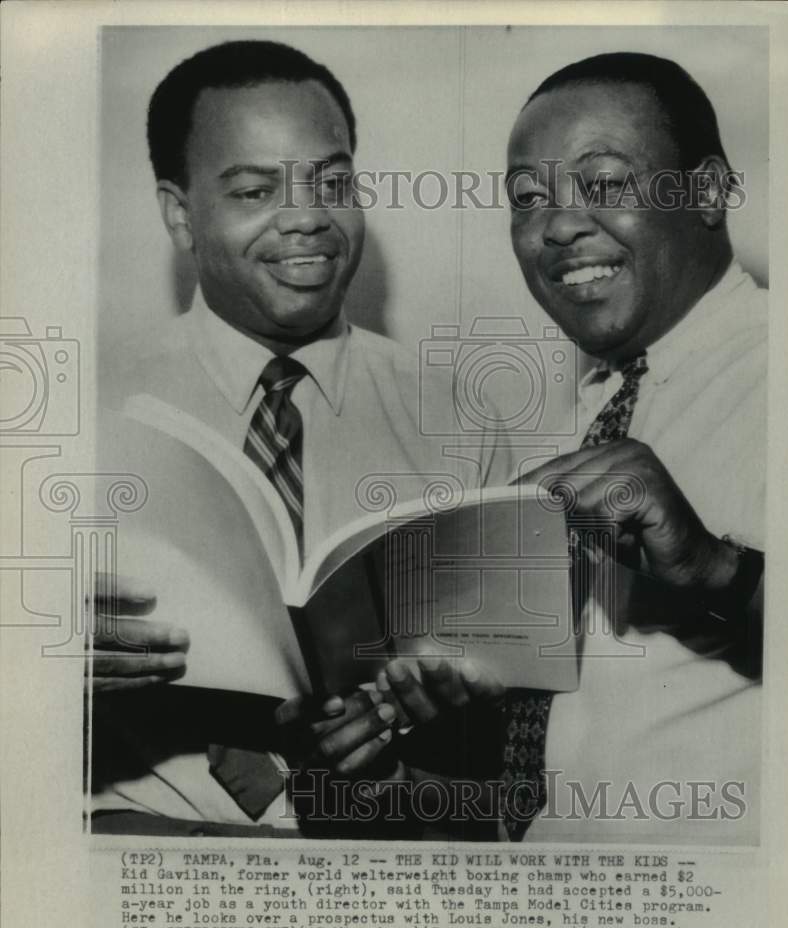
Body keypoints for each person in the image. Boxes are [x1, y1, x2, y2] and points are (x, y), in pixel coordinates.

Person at [90, 40, 513, 838]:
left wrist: (434, 715)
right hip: (144, 856)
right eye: (255, 189)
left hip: (391, 861)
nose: (307, 217)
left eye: (334, 182)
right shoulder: (76, 415)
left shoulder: (463, 423)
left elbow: (508, 732)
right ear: (181, 214)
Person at [505, 52, 765, 843]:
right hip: (549, 911)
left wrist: (713, 569)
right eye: (527, 199)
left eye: (607, 183)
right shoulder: (572, 409)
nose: (557, 224)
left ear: (710, 191)